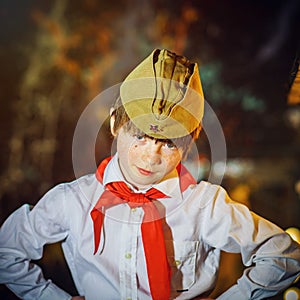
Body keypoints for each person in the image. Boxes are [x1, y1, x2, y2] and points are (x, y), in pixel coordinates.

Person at [0, 49, 299, 300]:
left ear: (191, 138)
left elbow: (285, 256)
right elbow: (6, 253)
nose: (150, 155)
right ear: (116, 123)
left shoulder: (205, 206)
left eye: (168, 143)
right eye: (140, 135)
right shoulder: (72, 201)